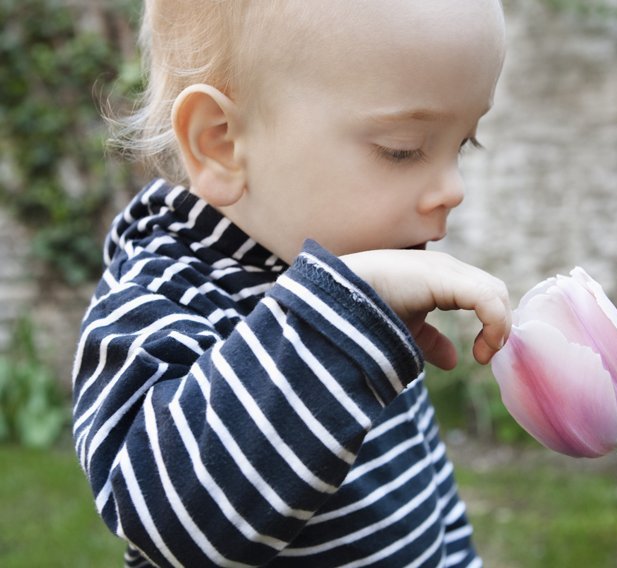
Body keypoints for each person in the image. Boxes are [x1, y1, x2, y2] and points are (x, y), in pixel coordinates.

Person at [72, 1, 509, 566]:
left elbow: (427, 497)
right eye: (403, 147)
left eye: (463, 143)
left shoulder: (361, 300)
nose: (453, 188)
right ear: (221, 143)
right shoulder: (161, 298)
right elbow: (174, 522)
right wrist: (342, 313)